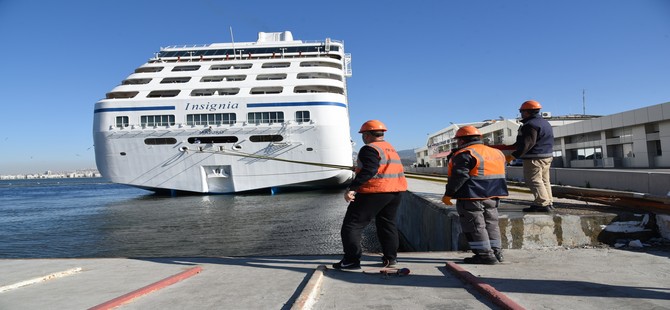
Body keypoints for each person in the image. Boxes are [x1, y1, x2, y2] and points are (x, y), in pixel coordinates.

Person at [333, 120, 408, 269]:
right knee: (387, 225)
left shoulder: (369, 149)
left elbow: (370, 170)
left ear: (366, 135)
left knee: (352, 225)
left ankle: (351, 261)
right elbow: (379, 168)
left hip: (374, 191)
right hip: (395, 192)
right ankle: (391, 259)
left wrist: (352, 188)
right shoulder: (390, 148)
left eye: (362, 135)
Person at [442, 126, 508, 265]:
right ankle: (496, 251)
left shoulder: (466, 153)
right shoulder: (496, 152)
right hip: (494, 194)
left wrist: (448, 194)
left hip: (472, 196)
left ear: (461, 140)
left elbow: (459, 177)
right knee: (492, 223)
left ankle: (485, 255)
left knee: (475, 225)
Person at [510, 100, 555, 212]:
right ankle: (548, 202)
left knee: (533, 180)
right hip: (546, 156)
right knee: (544, 181)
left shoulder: (530, 125)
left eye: (522, 111)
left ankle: (542, 203)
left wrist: (513, 156)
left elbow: (528, 143)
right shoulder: (545, 123)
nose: (521, 114)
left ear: (527, 112)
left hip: (535, 157)